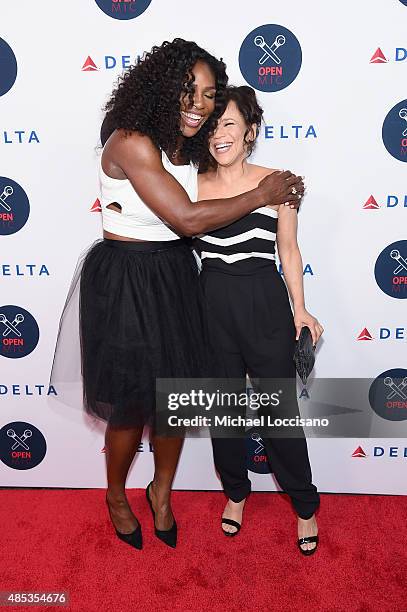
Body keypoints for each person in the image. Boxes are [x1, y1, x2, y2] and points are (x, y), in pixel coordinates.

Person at [52, 40, 304, 551]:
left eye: (210, 95)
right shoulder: (130, 141)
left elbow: (221, 186)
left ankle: (160, 492)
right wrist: (263, 194)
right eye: (189, 91)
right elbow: (186, 218)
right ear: (161, 87)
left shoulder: (186, 147)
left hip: (175, 275)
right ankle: (117, 496)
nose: (199, 104)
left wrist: (279, 185)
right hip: (127, 280)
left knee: (175, 401)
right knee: (128, 406)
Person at [196, 86, 323, 555]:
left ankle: (305, 505)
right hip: (211, 303)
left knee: (279, 415)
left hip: (264, 300)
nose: (218, 134)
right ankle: (235, 493)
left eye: (228, 123)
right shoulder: (192, 184)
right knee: (224, 413)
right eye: (212, 125)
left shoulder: (279, 182)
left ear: (250, 131)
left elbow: (288, 250)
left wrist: (301, 309)